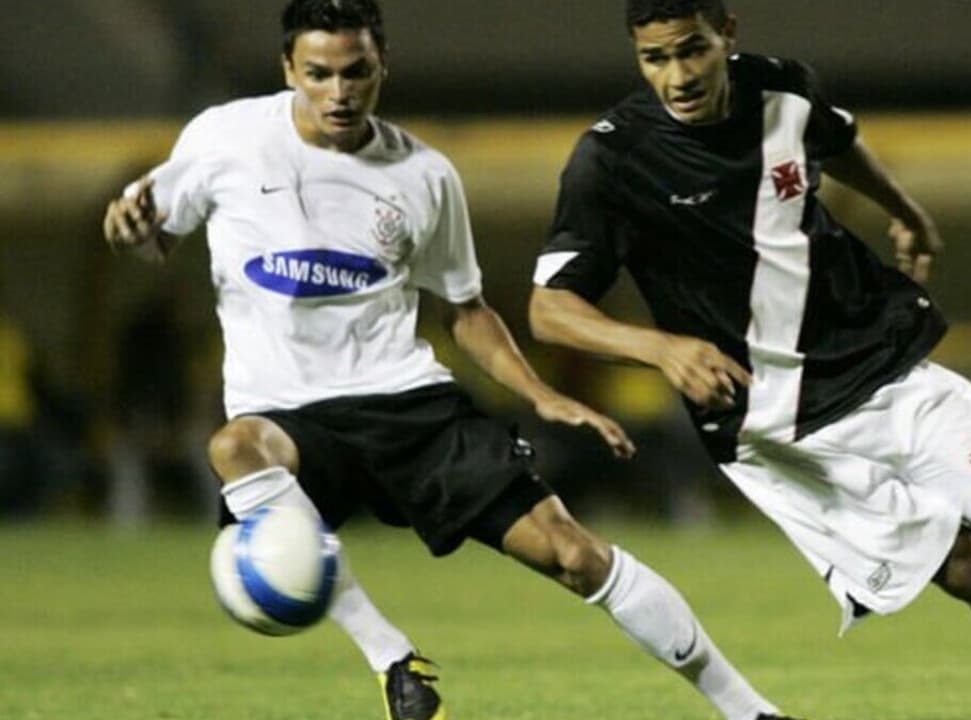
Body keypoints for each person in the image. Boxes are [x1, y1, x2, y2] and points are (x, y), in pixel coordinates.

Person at [100, 2, 797, 720]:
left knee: (572, 554)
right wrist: (129, 228)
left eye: (356, 72)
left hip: (407, 406)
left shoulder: (423, 174)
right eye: (319, 75)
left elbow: (464, 310)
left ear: (381, 67)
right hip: (288, 416)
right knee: (237, 446)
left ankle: (750, 711)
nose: (339, 92)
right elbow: (151, 229)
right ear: (289, 71)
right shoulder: (226, 138)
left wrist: (540, 394)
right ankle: (393, 659)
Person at [528, 1, 971, 718]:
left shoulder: (785, 90)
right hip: (779, 426)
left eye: (692, 50)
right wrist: (658, 346)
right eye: (655, 58)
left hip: (882, 362)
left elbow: (838, 139)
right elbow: (550, 308)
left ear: (727, 35)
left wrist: (904, 207)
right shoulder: (612, 159)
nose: (677, 75)